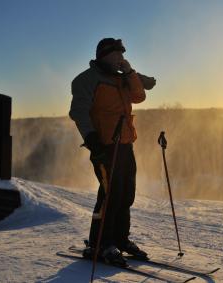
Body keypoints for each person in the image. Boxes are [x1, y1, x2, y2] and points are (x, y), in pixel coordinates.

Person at [69, 38, 156, 266]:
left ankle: (120, 239)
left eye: (122, 54)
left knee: (126, 193)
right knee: (110, 195)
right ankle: (100, 243)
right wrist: (92, 140)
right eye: (117, 54)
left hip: (126, 143)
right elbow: (78, 111)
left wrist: (129, 72)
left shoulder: (122, 78)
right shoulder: (86, 80)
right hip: (104, 146)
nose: (121, 58)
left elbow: (139, 96)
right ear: (104, 55)